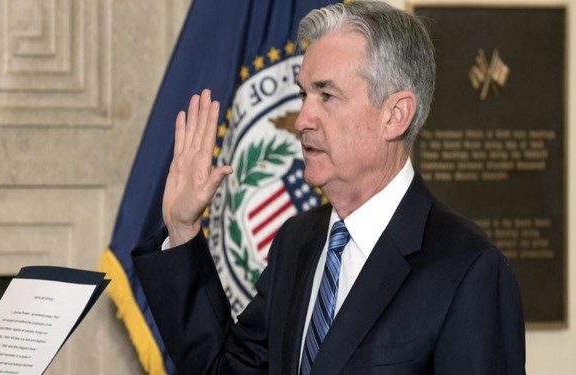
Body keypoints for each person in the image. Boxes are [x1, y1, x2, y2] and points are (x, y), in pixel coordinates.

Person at [132, 1, 525, 374]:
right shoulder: (297, 242)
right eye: (304, 95)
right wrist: (182, 229)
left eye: (327, 95)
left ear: (395, 115)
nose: (303, 118)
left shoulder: (468, 269)